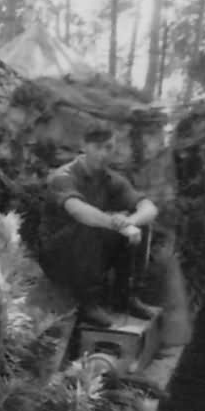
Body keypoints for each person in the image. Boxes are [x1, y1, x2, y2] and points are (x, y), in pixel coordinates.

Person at [38, 125, 158, 327]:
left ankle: (125, 296)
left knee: (140, 224)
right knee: (89, 222)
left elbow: (149, 207)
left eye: (109, 147)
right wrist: (115, 223)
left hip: (89, 252)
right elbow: (78, 211)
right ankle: (87, 303)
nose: (104, 153)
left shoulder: (109, 178)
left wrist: (131, 222)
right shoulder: (64, 176)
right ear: (84, 146)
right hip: (57, 256)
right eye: (98, 147)